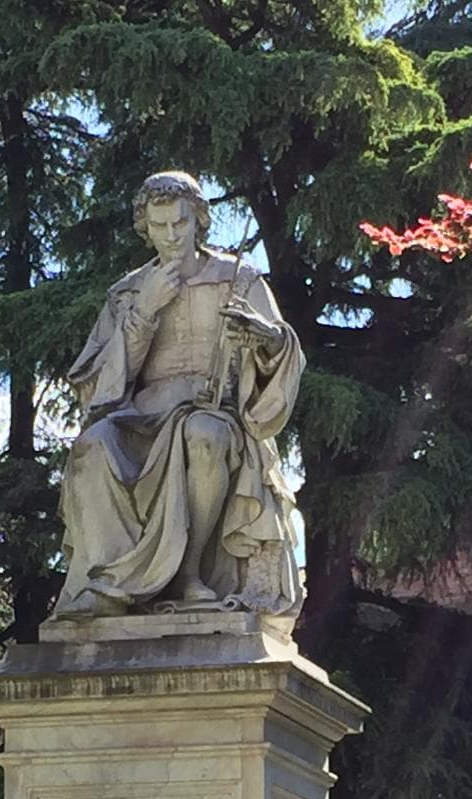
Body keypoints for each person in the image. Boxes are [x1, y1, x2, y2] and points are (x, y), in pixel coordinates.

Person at [52, 170, 304, 620]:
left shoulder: (238, 280)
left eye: (181, 224)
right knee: (93, 446)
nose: (171, 236)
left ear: (198, 221)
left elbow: (282, 350)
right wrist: (145, 310)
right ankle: (107, 583)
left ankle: (190, 574)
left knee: (206, 437)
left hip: (213, 412)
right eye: (160, 226)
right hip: (141, 418)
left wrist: (265, 338)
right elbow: (98, 386)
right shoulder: (127, 292)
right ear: (144, 228)